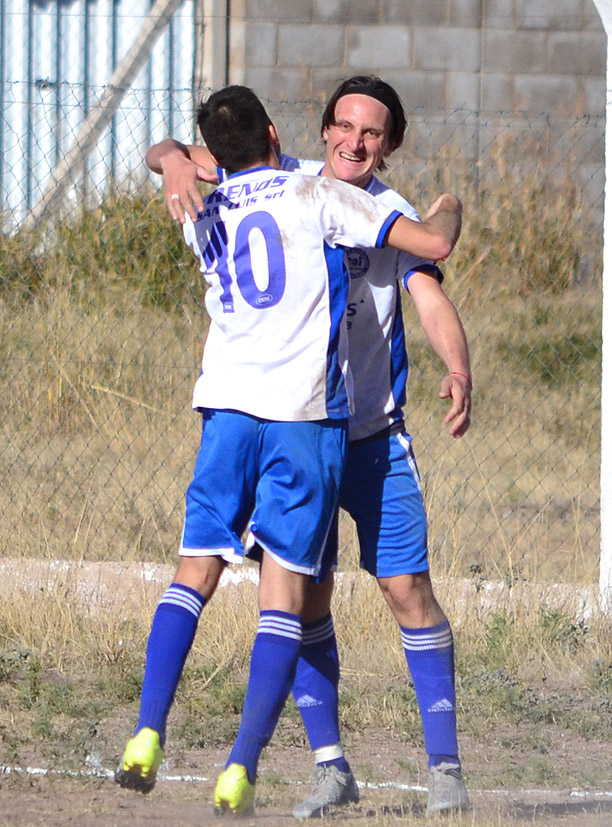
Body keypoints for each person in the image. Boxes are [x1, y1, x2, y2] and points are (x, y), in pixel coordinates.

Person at [112, 84, 464, 816]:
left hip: (327, 427)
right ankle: (313, 765)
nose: (355, 140)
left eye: (371, 131)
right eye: (344, 124)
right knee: (297, 594)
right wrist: (173, 158)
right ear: (302, 132)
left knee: (393, 588)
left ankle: (445, 768)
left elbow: (428, 290)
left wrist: (457, 367)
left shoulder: (366, 206)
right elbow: (433, 242)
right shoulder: (312, 188)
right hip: (308, 425)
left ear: (390, 143)